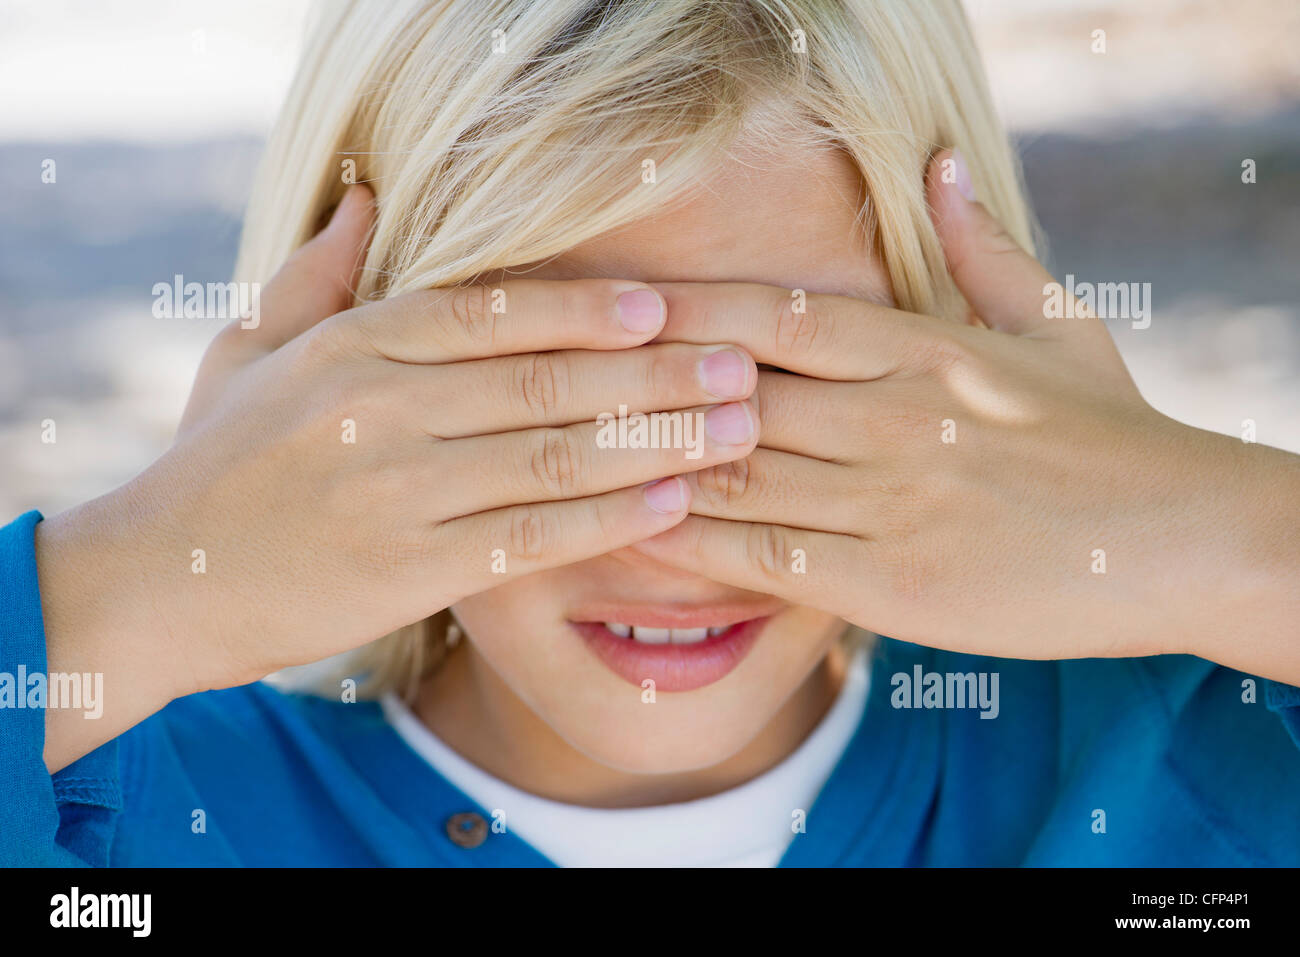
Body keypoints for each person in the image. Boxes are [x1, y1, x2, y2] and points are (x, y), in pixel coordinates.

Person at [3, 0, 1298, 867]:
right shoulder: (129, 813)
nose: (664, 536)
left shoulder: (1183, 750)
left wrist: (1218, 532)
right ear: (330, 381)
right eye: (543, 394)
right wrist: (132, 582)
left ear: (952, 339)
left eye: (785, 388)